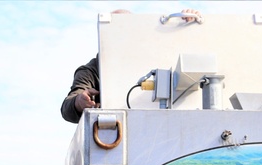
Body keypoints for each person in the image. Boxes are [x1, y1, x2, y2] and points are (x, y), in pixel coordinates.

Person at [60, 9, 201, 123]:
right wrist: (78, 102)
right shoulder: (91, 71)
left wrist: (190, 29)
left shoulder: (156, 56)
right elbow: (67, 108)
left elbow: (188, 68)